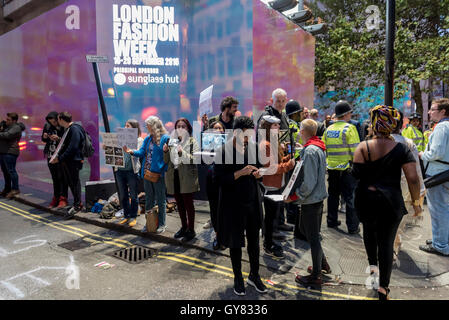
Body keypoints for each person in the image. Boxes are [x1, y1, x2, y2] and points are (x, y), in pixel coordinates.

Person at [353, 105, 421, 300]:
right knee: (386, 243)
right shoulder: (402, 148)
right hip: (391, 203)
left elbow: (355, 174)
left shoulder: (363, 147)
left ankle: (373, 272)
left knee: (369, 237)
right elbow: (413, 178)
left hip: (366, 200)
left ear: (373, 122)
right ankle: (384, 288)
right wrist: (416, 202)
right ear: (393, 123)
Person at [214, 116, 267, 296]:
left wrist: (259, 174)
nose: (248, 138)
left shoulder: (253, 148)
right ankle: (238, 277)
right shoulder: (223, 151)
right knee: (235, 242)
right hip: (233, 204)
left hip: (252, 201)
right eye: (246, 135)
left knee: (254, 241)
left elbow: (260, 171)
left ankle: (255, 274)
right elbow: (219, 179)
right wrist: (240, 173)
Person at [291, 119, 330, 286]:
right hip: (316, 199)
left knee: (313, 237)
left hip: (310, 200)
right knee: (304, 229)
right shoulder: (317, 147)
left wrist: (294, 196)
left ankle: (316, 276)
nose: (299, 132)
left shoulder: (310, 151)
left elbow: (309, 182)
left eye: (300, 130)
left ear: (303, 131)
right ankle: (322, 264)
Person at [124, 116, 170, 234]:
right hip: (147, 173)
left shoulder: (165, 138)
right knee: (149, 199)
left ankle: (161, 224)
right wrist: (132, 151)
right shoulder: (148, 139)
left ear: (153, 126)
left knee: (161, 200)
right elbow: (141, 152)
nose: (146, 127)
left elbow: (167, 158)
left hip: (158, 174)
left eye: (148, 125)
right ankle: (149, 223)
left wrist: (162, 170)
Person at [259, 115, 295, 259]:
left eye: (278, 125)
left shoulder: (273, 143)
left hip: (276, 184)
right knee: (270, 217)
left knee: (273, 216)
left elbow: (277, 163)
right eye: (275, 126)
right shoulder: (266, 145)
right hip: (270, 185)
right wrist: (289, 165)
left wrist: (288, 158)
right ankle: (268, 244)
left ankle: (269, 242)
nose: (279, 127)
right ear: (268, 127)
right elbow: (272, 168)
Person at [322, 100, 360, 234]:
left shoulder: (329, 129)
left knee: (333, 195)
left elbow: (324, 148)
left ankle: (331, 221)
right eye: (350, 113)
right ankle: (352, 226)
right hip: (346, 169)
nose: (351, 115)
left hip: (332, 168)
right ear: (345, 114)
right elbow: (356, 151)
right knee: (350, 197)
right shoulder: (349, 128)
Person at [391, 111, 426, 256]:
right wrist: (418, 199)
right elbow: (415, 175)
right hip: (403, 187)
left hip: (380, 189)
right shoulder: (408, 143)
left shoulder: (371, 143)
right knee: (398, 221)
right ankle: (392, 247)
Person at [418, 98, 449, 256]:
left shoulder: (442, 127)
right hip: (445, 173)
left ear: (443, 111)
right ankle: (442, 240)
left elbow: (436, 152)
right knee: (445, 210)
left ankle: (441, 245)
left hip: (438, 174)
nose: (429, 112)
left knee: (438, 211)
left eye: (432, 109)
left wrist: (423, 154)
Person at [163, 118, 200, 242]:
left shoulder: (192, 141)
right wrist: (165, 152)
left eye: (183, 126)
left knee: (188, 204)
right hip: (174, 176)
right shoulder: (171, 141)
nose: (180, 128)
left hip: (187, 177)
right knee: (179, 203)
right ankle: (183, 227)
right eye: (178, 126)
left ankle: (191, 229)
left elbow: (194, 159)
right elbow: (166, 161)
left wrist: (181, 152)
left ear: (188, 128)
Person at [50, 112, 85, 218]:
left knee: (74, 182)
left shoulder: (74, 129)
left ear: (61, 119)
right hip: (70, 160)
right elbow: (69, 144)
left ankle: (77, 204)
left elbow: (73, 147)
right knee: (71, 182)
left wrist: (60, 158)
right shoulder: (70, 129)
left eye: (58, 119)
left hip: (74, 160)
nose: (57, 121)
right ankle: (77, 203)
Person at [115, 119, 144, 228]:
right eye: (125, 125)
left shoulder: (139, 139)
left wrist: (129, 150)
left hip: (132, 171)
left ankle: (133, 216)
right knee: (123, 195)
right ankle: (126, 215)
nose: (126, 128)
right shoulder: (120, 138)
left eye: (128, 126)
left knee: (133, 194)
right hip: (120, 170)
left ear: (134, 128)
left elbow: (139, 153)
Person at [204, 121, 226, 250]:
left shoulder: (229, 144)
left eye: (220, 128)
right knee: (213, 207)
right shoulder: (208, 142)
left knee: (223, 207)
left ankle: (224, 236)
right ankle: (218, 236)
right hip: (211, 178)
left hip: (223, 179)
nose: (217, 131)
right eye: (215, 128)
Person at [42, 111, 67, 208]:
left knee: (62, 177)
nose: (53, 124)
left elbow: (67, 141)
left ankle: (63, 198)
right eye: (51, 122)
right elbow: (43, 140)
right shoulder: (47, 126)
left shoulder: (64, 127)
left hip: (60, 156)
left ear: (58, 120)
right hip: (50, 155)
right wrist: (45, 137)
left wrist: (58, 138)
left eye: (54, 122)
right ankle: (56, 197)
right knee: (55, 178)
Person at [0, 112, 26, 198]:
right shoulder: (8, 126)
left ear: (14, 121)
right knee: (5, 172)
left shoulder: (16, 128)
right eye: (6, 119)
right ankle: (7, 188)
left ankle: (15, 189)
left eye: (8, 119)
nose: (6, 121)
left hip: (10, 152)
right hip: (4, 151)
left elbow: (7, 135)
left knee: (11, 171)